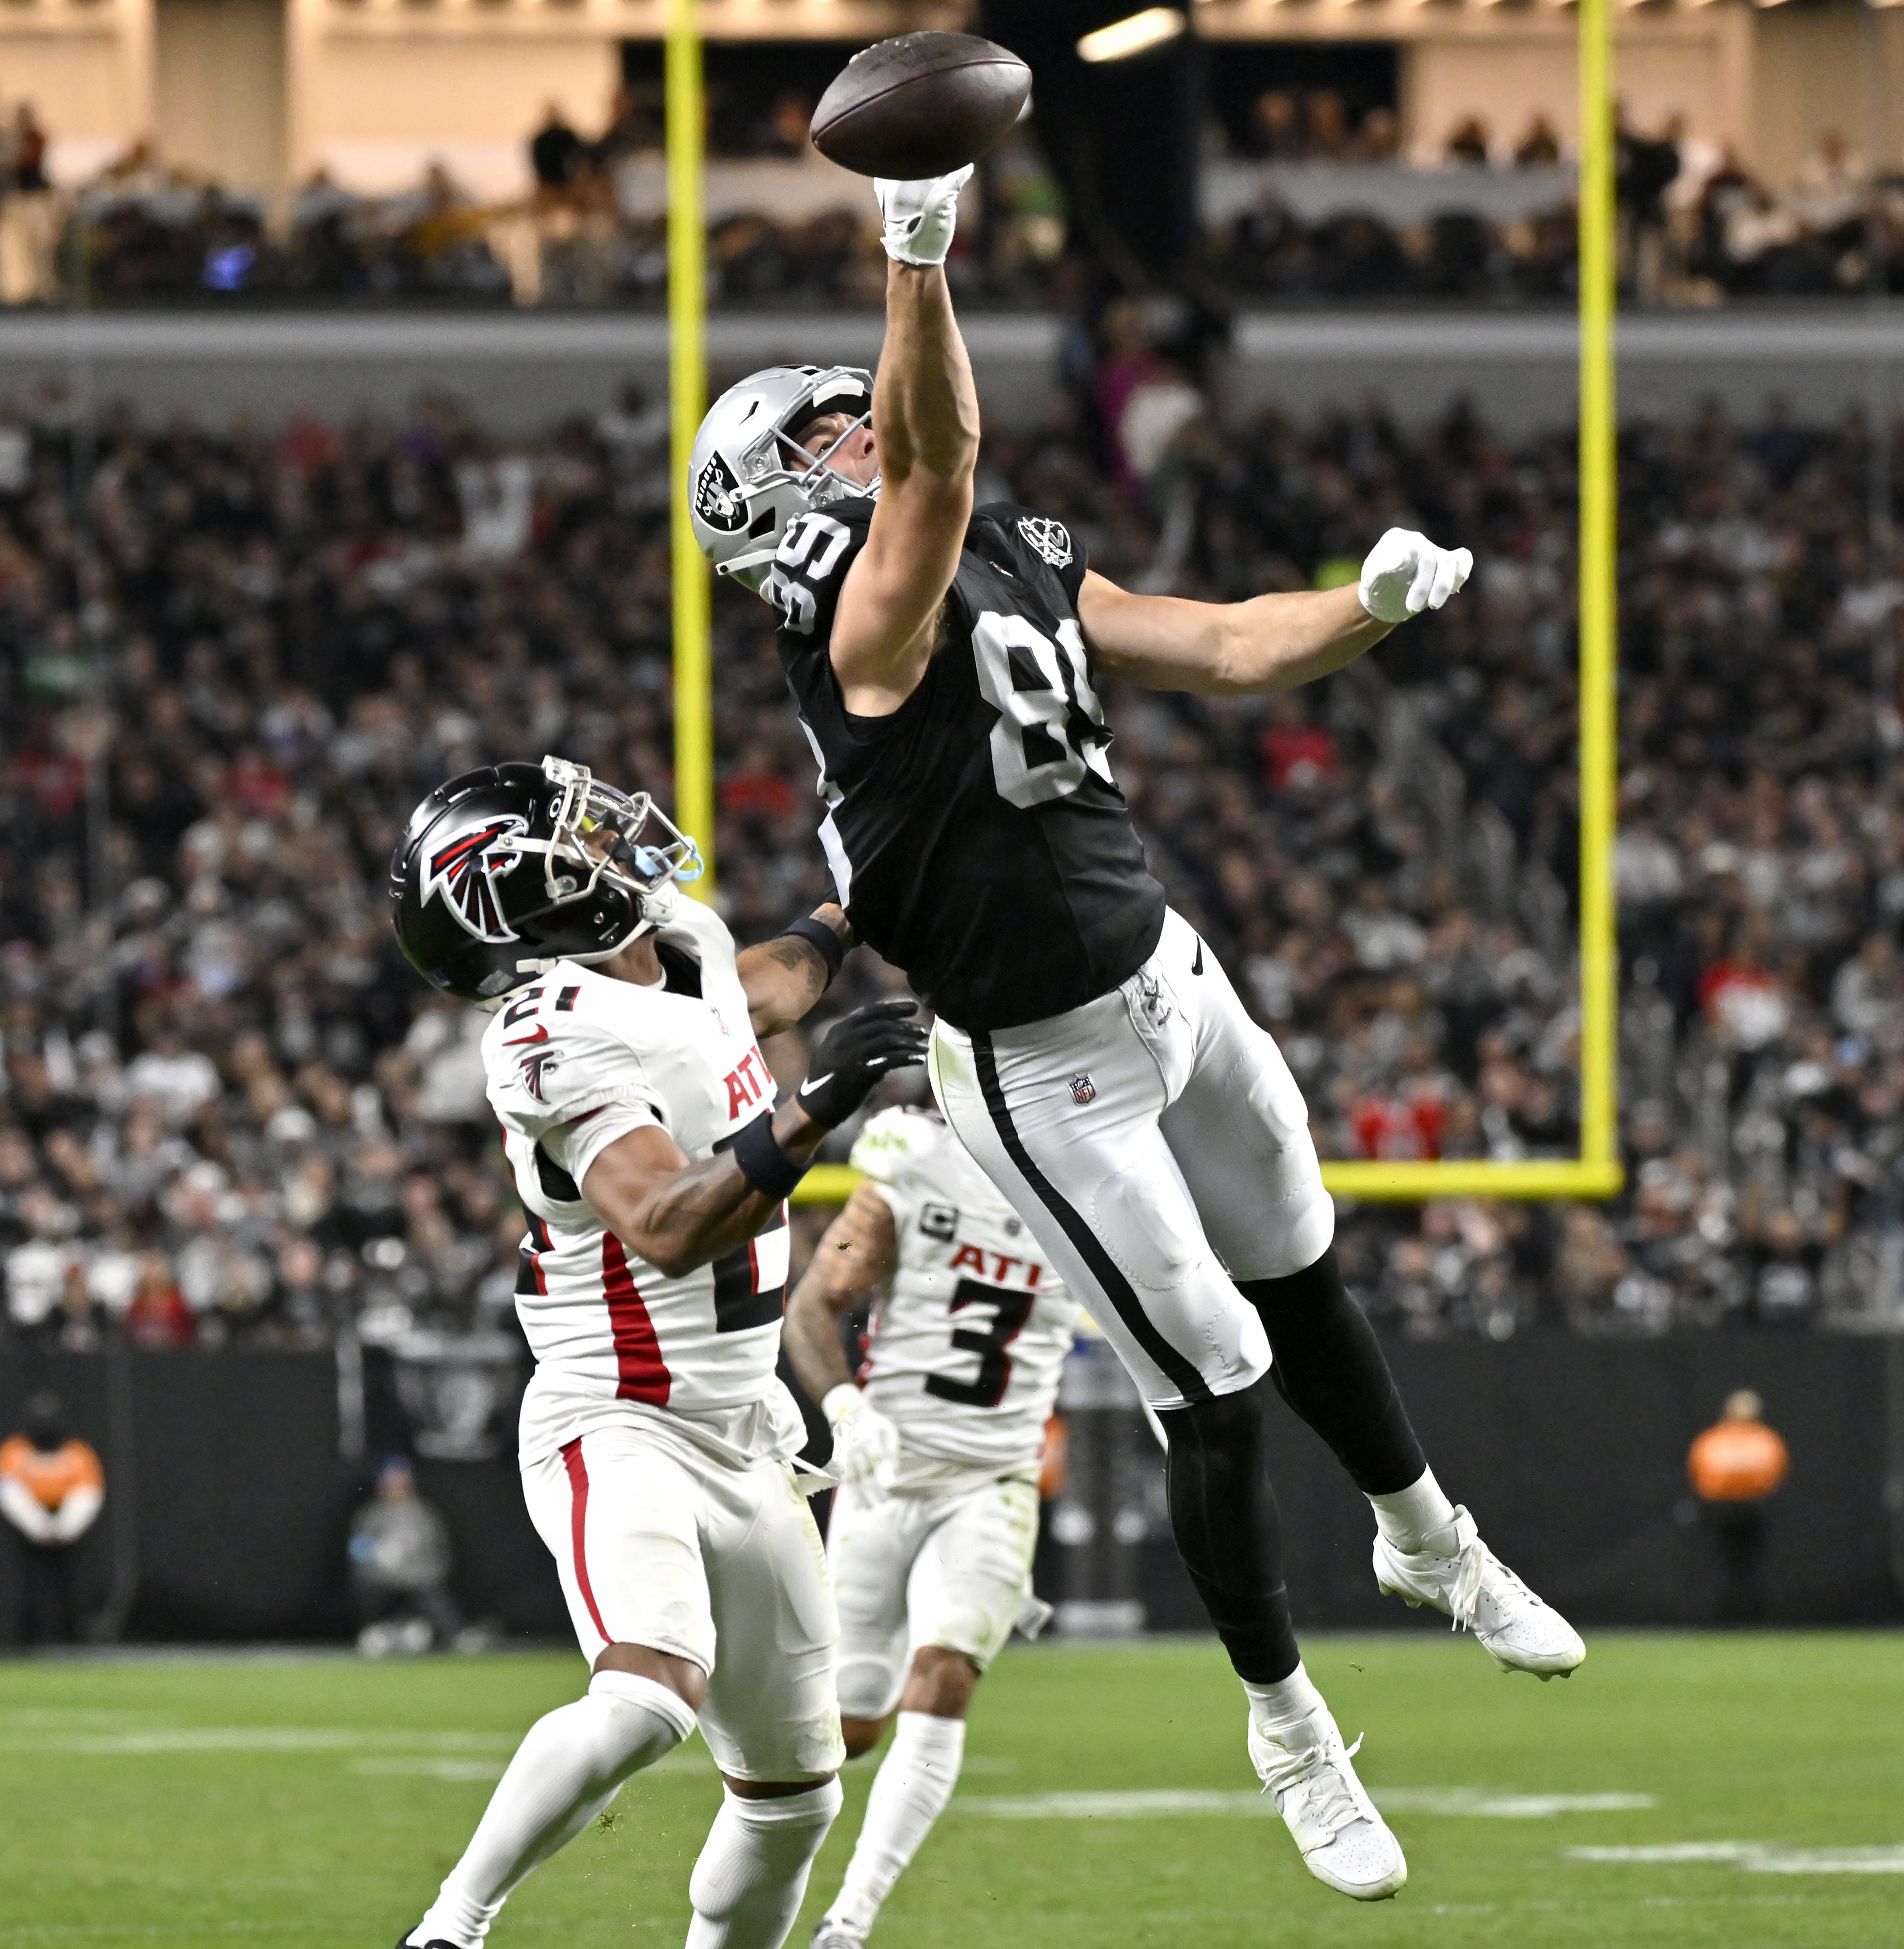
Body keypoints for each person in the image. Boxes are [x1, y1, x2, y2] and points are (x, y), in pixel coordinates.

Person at [683, 165, 1576, 1907]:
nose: (858, 432)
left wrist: (1370, 605)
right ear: (763, 509)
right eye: (821, 436)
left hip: (1169, 970)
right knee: (1220, 1386)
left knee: (1305, 1269)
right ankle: (1290, 1725)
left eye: (860, 417)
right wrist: (915, 249)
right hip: (1036, 1071)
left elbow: (1229, 645)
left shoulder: (999, 551)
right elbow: (934, 469)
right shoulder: (861, 624)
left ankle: (1431, 1543)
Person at [385, 755, 923, 1949]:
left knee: (797, 1796)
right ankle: (449, 1927)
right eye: (575, 835)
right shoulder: (547, 1035)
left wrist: (858, 900)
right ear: (518, 899)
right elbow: (670, 1223)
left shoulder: (672, 935)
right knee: (646, 1692)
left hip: (743, 1434)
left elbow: (759, 988)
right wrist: (817, 1102)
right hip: (618, 1416)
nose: (611, 835)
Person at [782, 1104, 1077, 1949]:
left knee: (943, 1674)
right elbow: (815, 1307)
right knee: (850, 1723)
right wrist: (843, 1406)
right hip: (887, 1471)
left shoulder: (1093, 1193)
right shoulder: (914, 1163)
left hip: (994, 1481)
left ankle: (850, 1922)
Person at [0, 1394, 104, 1645]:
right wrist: (40, 1527)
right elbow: (9, 1493)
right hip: (29, 1527)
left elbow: (88, 1493)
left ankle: (74, 1640)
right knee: (31, 1587)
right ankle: (30, 1642)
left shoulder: (77, 1452)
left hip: (69, 1528)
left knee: (73, 1586)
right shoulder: (14, 1450)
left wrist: (65, 1527)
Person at [351, 1457, 477, 1655]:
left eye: (401, 1482)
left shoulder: (422, 1514)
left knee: (433, 1596)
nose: (396, 1487)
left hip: (418, 1576)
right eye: (390, 1482)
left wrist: (419, 1570)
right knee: (366, 1592)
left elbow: (438, 1551)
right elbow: (356, 1548)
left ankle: (455, 1635)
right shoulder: (372, 1514)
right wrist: (377, 1553)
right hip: (380, 1576)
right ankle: (374, 1632)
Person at [1687, 1390, 1788, 1624]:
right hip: (1723, 1509)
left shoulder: (1762, 1439)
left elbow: (1775, 1470)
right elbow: (1702, 1471)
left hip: (1752, 1508)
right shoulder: (1717, 1440)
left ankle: (1752, 1618)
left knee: (1750, 1567)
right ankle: (1724, 1618)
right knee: (1725, 1566)